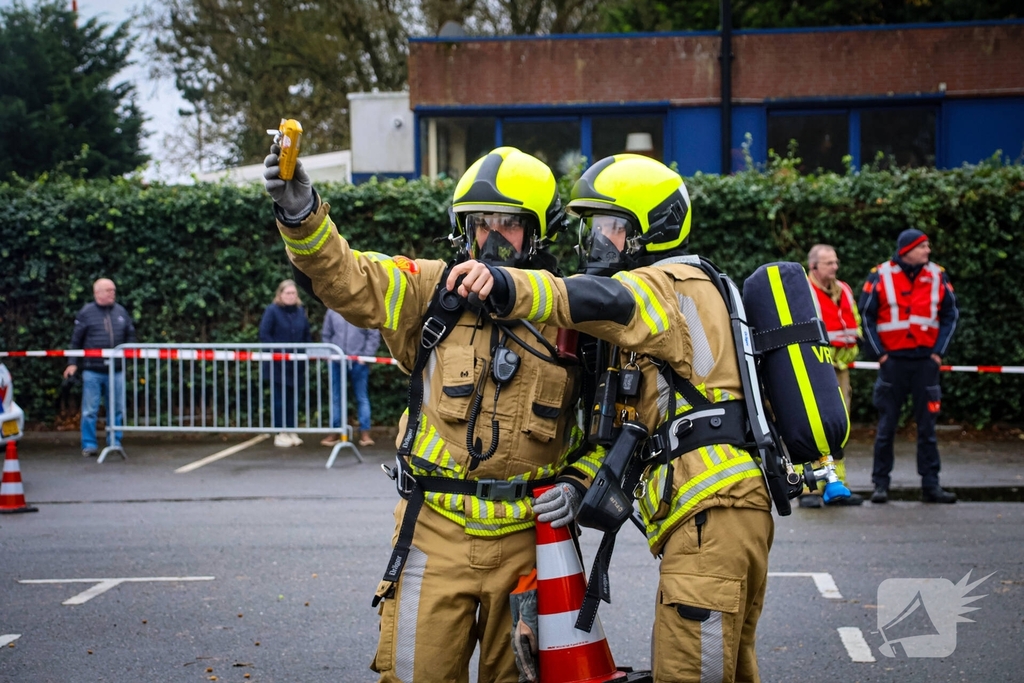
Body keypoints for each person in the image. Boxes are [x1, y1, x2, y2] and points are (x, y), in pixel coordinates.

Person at [264, 145, 597, 683]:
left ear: (539, 232)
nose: (489, 236)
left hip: (531, 546)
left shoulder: (572, 315)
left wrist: (580, 483)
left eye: (508, 223)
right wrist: (302, 215)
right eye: (478, 222)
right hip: (432, 532)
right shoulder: (431, 289)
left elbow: (607, 427)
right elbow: (350, 279)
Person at [449, 155, 774, 683]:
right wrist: (581, 484)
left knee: (689, 673)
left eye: (612, 229)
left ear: (655, 230)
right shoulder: (685, 293)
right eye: (592, 230)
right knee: (729, 670)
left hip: (712, 515)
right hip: (722, 514)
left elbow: (603, 299)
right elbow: (626, 428)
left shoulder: (668, 284)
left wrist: (512, 287)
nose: (597, 245)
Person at [860, 229, 959, 504]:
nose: (928, 251)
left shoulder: (937, 274)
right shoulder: (880, 274)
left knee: (927, 427)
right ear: (907, 250)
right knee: (886, 427)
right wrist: (880, 354)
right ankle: (880, 485)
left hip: (926, 361)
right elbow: (865, 315)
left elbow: (951, 313)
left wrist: (939, 352)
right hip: (893, 362)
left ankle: (931, 485)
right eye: (923, 246)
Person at [801, 244, 864, 507]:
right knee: (811, 426)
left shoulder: (845, 290)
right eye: (829, 263)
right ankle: (809, 490)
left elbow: (855, 325)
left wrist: (851, 351)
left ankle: (837, 485)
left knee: (839, 427)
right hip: (815, 369)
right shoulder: (804, 291)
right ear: (813, 266)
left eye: (836, 262)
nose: (835, 267)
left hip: (840, 369)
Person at [63, 278, 137, 457]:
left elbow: (131, 335)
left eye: (113, 290)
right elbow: (76, 340)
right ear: (97, 293)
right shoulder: (86, 313)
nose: (112, 293)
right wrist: (72, 363)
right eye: (108, 290)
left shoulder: (121, 311)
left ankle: (115, 441)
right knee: (90, 410)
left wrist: (130, 355)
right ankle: (89, 444)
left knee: (117, 408)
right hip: (92, 370)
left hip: (116, 370)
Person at [258, 279, 312, 448]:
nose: (291, 296)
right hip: (277, 366)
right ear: (280, 294)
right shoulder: (272, 311)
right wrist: (279, 353)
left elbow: (306, 335)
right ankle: (280, 432)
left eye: (293, 293)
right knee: (279, 400)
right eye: (287, 293)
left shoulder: (300, 311)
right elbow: (264, 334)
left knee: (293, 400)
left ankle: (291, 430)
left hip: (296, 366)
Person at [320, 309, 380, 447]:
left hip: (358, 361)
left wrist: (366, 355)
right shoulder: (331, 310)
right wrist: (330, 354)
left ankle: (365, 433)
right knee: (336, 397)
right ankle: (335, 431)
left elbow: (373, 334)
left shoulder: (363, 309)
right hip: (336, 361)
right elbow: (326, 334)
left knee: (362, 397)